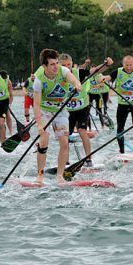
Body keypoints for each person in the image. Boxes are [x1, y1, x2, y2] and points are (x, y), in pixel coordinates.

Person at [32, 48, 83, 183]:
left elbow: (73, 80)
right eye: (52, 64)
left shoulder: (63, 71)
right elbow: (36, 104)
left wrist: (77, 84)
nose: (56, 67)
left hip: (60, 111)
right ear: (44, 66)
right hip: (44, 111)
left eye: (57, 63)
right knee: (44, 141)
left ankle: (60, 176)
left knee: (64, 143)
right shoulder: (39, 80)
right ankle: (40, 176)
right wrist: (39, 125)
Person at [101, 55, 133, 155]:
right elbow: (109, 77)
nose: (129, 67)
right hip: (122, 104)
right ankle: (122, 152)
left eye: (130, 65)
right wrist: (104, 78)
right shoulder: (119, 71)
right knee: (120, 128)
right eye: (126, 65)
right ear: (123, 64)